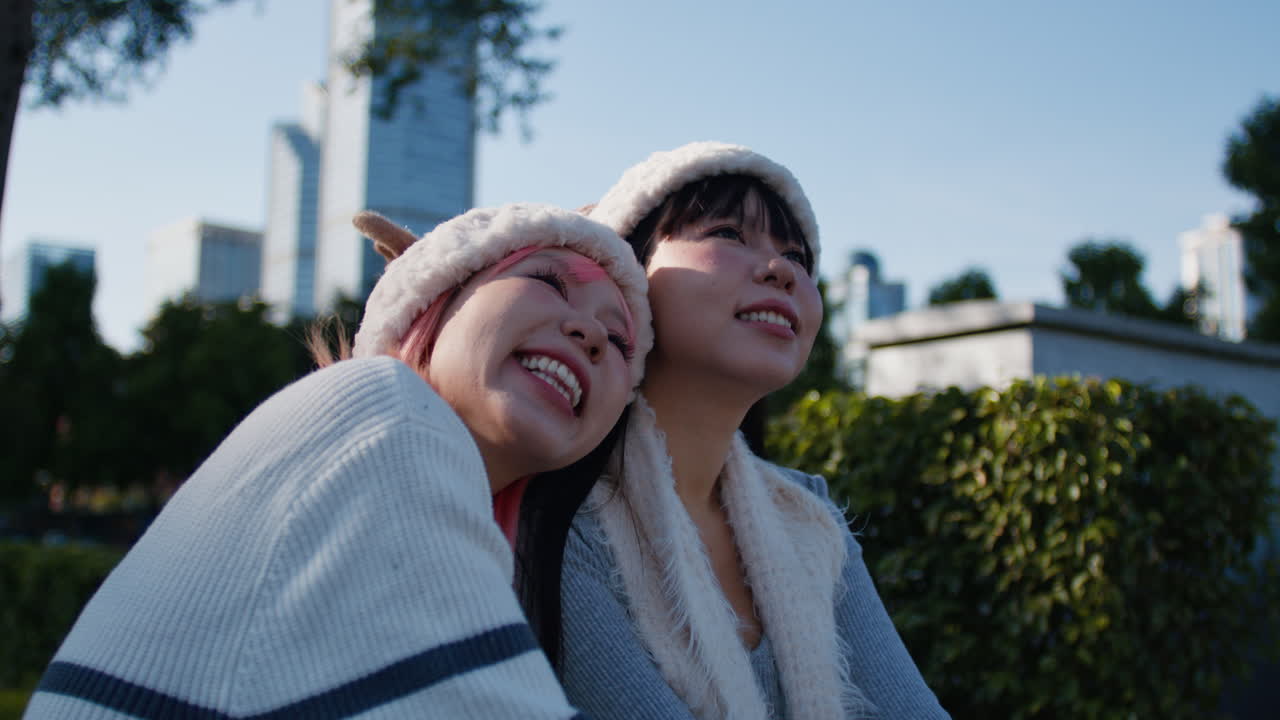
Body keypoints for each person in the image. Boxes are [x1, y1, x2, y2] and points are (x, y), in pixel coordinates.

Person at [25, 202, 652, 719]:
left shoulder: (449, 492)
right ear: (436, 298)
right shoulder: (383, 415)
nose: (591, 333)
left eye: (620, 340)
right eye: (546, 282)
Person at [551, 142, 950, 719]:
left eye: (797, 256)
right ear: (625, 279)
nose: (781, 269)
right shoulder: (563, 519)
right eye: (728, 235)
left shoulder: (808, 516)